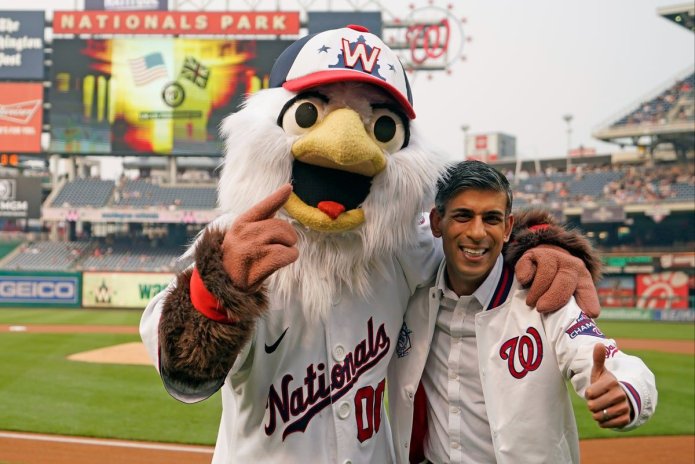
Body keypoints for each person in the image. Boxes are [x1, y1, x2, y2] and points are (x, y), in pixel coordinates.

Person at [140, 26, 603, 463]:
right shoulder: (238, 240)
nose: (346, 146)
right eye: (310, 112)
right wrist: (213, 295)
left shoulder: (402, 242)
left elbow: (476, 248)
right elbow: (183, 374)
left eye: (381, 128)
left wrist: (537, 245)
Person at [388, 160, 657, 464]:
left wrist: (627, 389)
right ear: (437, 222)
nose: (477, 233)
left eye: (491, 218)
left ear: (508, 228)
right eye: (463, 216)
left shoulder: (543, 297)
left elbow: (601, 355)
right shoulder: (411, 297)